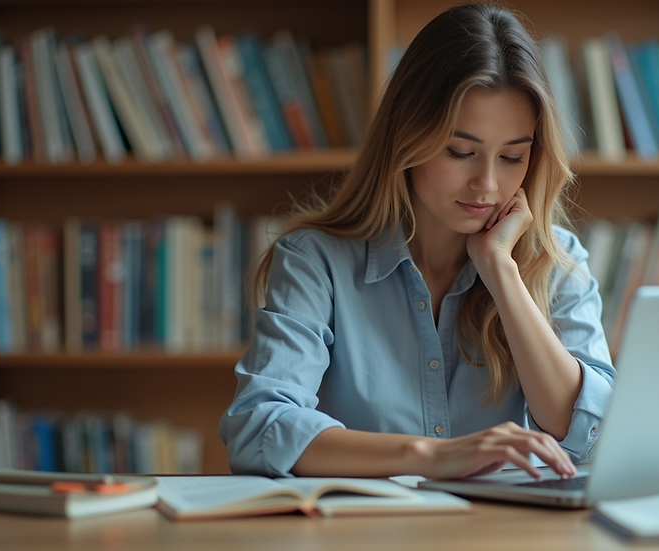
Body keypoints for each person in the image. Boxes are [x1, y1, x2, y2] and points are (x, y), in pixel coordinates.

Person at [218, 2, 615, 481]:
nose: (487, 184)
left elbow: (592, 434)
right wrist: (430, 456)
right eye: (460, 151)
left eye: (512, 157)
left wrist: (501, 272)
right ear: (408, 136)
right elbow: (258, 426)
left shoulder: (559, 260)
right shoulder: (315, 261)